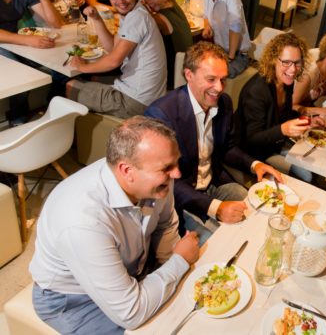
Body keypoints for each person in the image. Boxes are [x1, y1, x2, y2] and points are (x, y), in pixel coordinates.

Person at [29, 116, 200, 333]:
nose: (177, 173)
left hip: (132, 268)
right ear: (127, 171)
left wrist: (172, 267)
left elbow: (165, 224)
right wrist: (180, 261)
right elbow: (131, 312)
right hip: (74, 300)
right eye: (167, 168)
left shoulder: (156, 178)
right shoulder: (82, 221)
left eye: (176, 163)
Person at [145, 41, 282, 237]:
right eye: (211, 79)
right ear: (188, 75)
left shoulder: (224, 103)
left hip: (215, 182)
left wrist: (255, 165)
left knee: (258, 215)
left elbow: (228, 148)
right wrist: (215, 207)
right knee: (222, 240)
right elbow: (165, 181)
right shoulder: (161, 114)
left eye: (223, 80)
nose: (219, 88)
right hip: (179, 199)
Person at [68, 0, 167, 118]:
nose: (120, 1)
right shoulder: (132, 13)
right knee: (94, 78)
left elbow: (114, 60)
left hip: (136, 101)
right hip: (147, 96)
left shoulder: (136, 18)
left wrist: (83, 67)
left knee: (70, 86)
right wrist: (96, 18)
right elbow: (113, 48)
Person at [236, 32, 318, 181]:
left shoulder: (286, 81)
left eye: (297, 62)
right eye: (286, 62)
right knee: (307, 176)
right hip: (253, 153)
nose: (292, 69)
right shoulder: (257, 91)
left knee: (315, 160)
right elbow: (252, 139)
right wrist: (284, 130)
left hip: (275, 144)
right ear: (273, 60)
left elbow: (282, 116)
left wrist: (307, 120)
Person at [0, 0, 62, 125]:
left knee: (60, 66)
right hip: (6, 44)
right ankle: (18, 121)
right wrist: (27, 40)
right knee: (22, 73)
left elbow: (56, 24)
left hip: (15, 43)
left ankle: (54, 112)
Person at [141, 0, 193, 90]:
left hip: (173, 74)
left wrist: (143, 9)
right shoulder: (173, 3)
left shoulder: (160, 17)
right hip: (187, 66)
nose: (150, 2)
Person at [202, 0, 251, 78]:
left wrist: (230, 57)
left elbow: (235, 26)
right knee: (199, 67)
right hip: (219, 50)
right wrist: (207, 26)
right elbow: (206, 15)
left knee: (217, 75)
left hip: (238, 55)